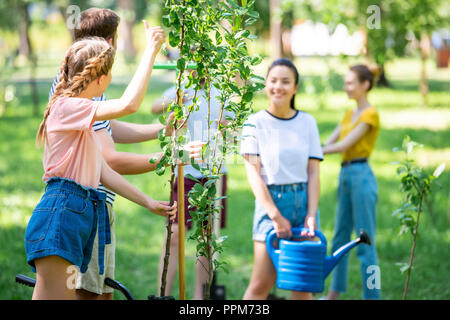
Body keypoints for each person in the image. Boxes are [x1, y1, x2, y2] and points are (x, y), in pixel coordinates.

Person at [24, 22, 178, 300]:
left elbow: (103, 171)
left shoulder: (82, 118)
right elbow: (129, 104)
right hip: (62, 212)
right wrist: (151, 51)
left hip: (79, 212)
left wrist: (148, 202)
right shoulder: (66, 107)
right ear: (100, 78)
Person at [240, 58, 323, 300]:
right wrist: (275, 215)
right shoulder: (254, 123)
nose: (279, 87)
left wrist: (311, 214)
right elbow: (252, 173)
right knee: (260, 285)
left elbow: (314, 172)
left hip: (304, 203)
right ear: (266, 84)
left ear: (295, 87)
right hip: (271, 205)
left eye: (286, 82)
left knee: (302, 285)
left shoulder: (308, 122)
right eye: (273, 80)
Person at [152, 72, 233, 299]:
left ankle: (200, 298)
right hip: (184, 170)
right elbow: (154, 107)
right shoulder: (182, 89)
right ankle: (163, 294)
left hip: (213, 173)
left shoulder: (221, 92)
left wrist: (227, 126)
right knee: (175, 233)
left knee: (206, 236)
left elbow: (235, 132)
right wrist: (176, 99)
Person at [322, 64, 381, 300]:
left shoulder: (370, 114)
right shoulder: (349, 114)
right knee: (339, 237)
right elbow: (330, 140)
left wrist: (313, 150)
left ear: (365, 85)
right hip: (345, 176)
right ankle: (334, 294)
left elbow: (343, 146)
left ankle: (373, 297)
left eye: (350, 83)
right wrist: (315, 148)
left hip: (361, 176)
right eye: (345, 83)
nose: (346, 87)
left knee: (365, 242)